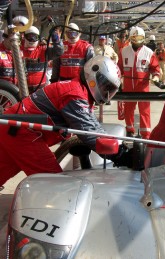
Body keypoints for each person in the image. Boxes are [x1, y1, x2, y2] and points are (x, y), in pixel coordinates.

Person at [0, 56, 122, 187]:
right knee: (54, 185)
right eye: (106, 86)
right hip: (22, 132)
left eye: (111, 90)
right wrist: (120, 154)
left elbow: (92, 126)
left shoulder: (78, 90)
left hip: (12, 129)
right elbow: (89, 132)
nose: (107, 93)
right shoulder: (74, 94)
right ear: (93, 75)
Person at [117, 26, 160, 139]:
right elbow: (119, 68)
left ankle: (145, 134)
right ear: (131, 38)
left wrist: (156, 77)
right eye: (134, 38)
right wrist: (117, 80)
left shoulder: (149, 53)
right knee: (128, 110)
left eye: (139, 38)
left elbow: (155, 68)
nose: (137, 40)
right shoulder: (124, 51)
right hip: (128, 88)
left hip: (143, 88)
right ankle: (129, 129)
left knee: (144, 111)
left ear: (143, 38)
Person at [21, 26, 63, 93]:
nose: (32, 39)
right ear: (25, 36)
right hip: (22, 88)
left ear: (38, 37)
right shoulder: (19, 49)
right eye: (29, 37)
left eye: (34, 37)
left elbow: (59, 52)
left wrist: (56, 40)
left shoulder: (43, 49)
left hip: (39, 87)